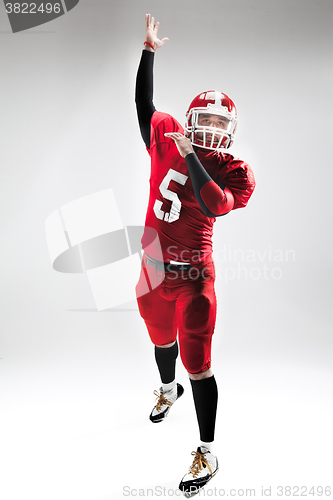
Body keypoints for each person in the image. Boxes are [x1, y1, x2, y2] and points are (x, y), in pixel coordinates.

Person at [135, 13, 256, 496]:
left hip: (192, 275)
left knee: (198, 361)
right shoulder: (165, 133)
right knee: (159, 339)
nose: (207, 127)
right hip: (150, 264)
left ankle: (208, 449)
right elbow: (143, 105)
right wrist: (149, 52)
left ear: (228, 130)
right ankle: (167, 391)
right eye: (202, 119)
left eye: (217, 122)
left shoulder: (232, 169)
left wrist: (189, 155)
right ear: (188, 119)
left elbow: (217, 205)